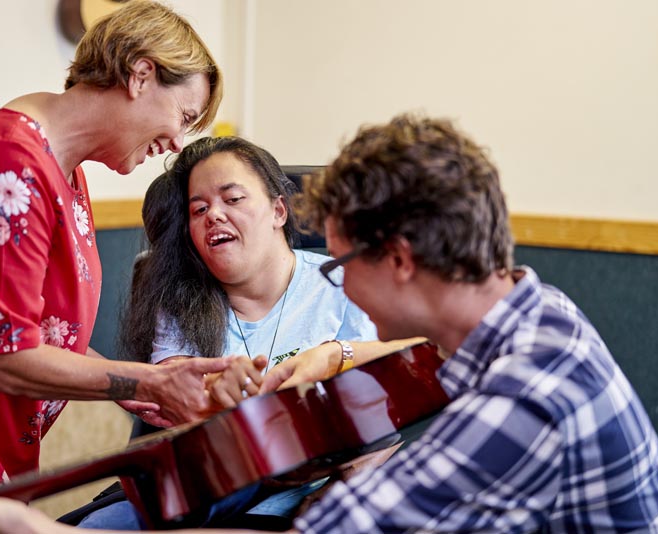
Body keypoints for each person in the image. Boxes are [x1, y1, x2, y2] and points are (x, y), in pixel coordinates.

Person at [0, 112, 658, 533]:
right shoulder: (540, 312)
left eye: (340, 264)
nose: (335, 279)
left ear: (396, 259)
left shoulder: (518, 404)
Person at [0, 1, 231, 531]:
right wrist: (143, 383)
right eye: (184, 116)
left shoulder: (64, 170)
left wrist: (147, 386)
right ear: (141, 74)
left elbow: (44, 334)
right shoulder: (5, 160)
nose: (178, 142)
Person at [74, 136, 413, 529]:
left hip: (305, 501)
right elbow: (180, 390)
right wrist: (216, 394)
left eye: (232, 199)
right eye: (198, 209)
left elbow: (398, 404)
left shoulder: (345, 285)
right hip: (199, 489)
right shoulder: (181, 300)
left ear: (279, 211)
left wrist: (335, 492)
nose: (213, 215)